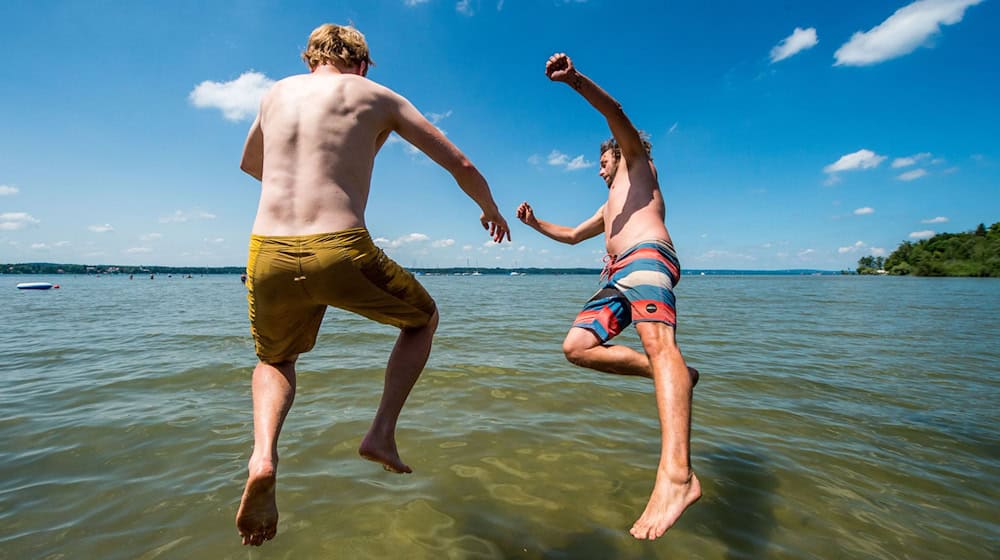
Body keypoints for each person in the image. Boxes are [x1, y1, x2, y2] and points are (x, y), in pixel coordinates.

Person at [235, 23, 510, 547]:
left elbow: (252, 163)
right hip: (338, 245)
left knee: (275, 360)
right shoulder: (375, 94)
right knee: (422, 319)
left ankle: (264, 457)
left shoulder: (274, 94)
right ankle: (381, 432)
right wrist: (489, 208)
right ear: (362, 62)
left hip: (266, 249)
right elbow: (460, 162)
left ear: (311, 57)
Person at [516, 53, 700, 541]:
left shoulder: (639, 166)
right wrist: (536, 225)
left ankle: (678, 477)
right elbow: (574, 234)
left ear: (621, 153)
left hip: (647, 257)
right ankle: (673, 375)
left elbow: (615, 113)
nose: (599, 172)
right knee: (576, 347)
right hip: (616, 275)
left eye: (602, 162)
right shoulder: (607, 203)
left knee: (661, 347)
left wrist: (574, 80)